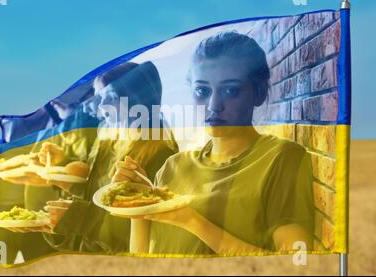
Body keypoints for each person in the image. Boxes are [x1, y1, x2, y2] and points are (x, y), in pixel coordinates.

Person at [115, 32, 314, 255]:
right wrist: (138, 201)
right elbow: (142, 258)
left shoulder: (282, 158)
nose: (214, 105)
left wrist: (192, 221)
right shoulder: (172, 167)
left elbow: (296, 261)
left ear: (258, 93)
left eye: (230, 90)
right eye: (202, 91)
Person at [43, 61, 179, 253]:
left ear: (137, 100)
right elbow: (96, 194)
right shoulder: (109, 141)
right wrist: (62, 164)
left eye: (111, 97)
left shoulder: (161, 155)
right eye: (100, 97)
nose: (101, 106)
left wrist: (80, 217)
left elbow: (144, 230)